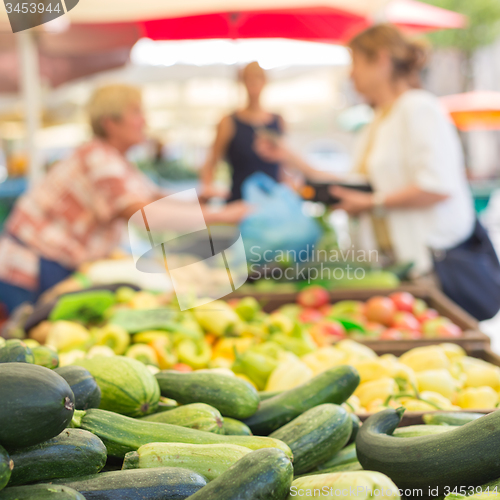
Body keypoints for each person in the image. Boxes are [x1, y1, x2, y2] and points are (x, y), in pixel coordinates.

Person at [0, 84, 249, 312]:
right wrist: (219, 215)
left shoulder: (116, 160)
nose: (144, 121)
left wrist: (201, 197)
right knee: (25, 343)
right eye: (136, 113)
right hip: (30, 267)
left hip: (54, 263)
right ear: (111, 123)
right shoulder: (97, 158)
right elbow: (142, 213)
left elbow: (154, 196)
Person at [257, 24, 475, 277]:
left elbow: (437, 185)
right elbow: (357, 184)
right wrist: (289, 157)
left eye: (356, 62)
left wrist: (372, 203)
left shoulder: (419, 107)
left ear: (381, 59)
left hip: (433, 267)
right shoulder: (378, 121)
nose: (351, 74)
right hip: (394, 267)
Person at [201, 61, 325, 201]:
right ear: (242, 81)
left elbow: (284, 165)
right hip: (240, 201)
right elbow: (212, 162)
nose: (254, 83)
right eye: (249, 78)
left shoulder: (278, 120)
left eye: (257, 78)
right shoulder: (229, 121)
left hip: (273, 200)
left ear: (265, 81)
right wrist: (207, 189)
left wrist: (292, 187)